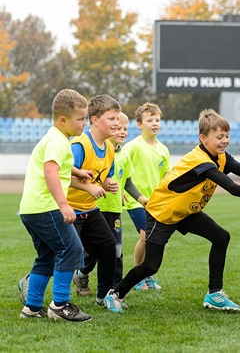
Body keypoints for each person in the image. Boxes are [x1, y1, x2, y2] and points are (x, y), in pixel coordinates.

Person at [102, 109, 240, 313]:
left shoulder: (221, 156)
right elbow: (232, 187)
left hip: (186, 212)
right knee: (151, 266)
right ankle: (115, 294)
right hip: (163, 212)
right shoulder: (201, 161)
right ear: (203, 138)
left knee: (221, 237)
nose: (225, 141)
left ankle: (214, 294)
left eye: (227, 136)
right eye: (219, 137)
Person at [18, 89, 92, 321]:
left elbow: (58, 167)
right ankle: (59, 306)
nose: (84, 123)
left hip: (31, 209)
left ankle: (31, 308)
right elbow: (50, 170)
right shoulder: (58, 142)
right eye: (80, 119)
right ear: (63, 120)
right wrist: (64, 205)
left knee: (47, 256)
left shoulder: (54, 138)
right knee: (71, 249)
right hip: (46, 207)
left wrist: (78, 172)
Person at [68, 94, 121, 310]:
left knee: (109, 247)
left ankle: (104, 295)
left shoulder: (109, 147)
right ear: (95, 120)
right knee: (64, 254)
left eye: (117, 119)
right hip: (70, 209)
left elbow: (104, 175)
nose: (116, 123)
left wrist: (108, 184)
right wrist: (89, 187)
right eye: (111, 119)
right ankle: (31, 281)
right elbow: (65, 176)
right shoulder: (80, 145)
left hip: (90, 209)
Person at [123, 102, 171, 291]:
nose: (154, 123)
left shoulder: (163, 150)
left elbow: (167, 176)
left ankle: (147, 275)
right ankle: (138, 277)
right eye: (149, 120)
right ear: (140, 124)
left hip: (156, 202)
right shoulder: (132, 147)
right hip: (136, 201)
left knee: (151, 239)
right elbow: (119, 168)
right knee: (145, 235)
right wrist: (120, 191)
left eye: (157, 120)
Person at [96, 112, 148, 286]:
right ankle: (82, 273)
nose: (122, 132)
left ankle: (115, 289)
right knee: (90, 251)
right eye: (118, 128)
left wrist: (141, 199)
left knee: (116, 249)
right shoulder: (99, 152)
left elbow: (127, 182)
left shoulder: (124, 155)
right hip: (95, 208)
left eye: (125, 128)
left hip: (114, 209)